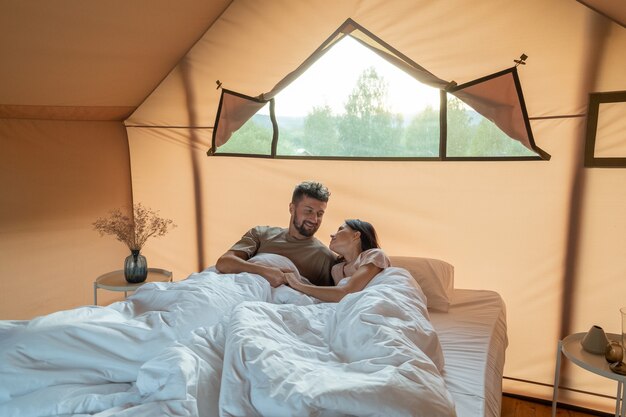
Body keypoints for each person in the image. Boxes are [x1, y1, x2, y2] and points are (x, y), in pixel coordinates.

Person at [215, 181, 336, 287]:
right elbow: (224, 262)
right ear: (292, 208)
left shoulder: (324, 257)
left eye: (320, 214)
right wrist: (265, 271)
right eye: (308, 211)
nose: (314, 219)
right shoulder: (262, 234)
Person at [285, 219, 390, 302]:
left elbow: (346, 292)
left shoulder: (374, 255)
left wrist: (297, 285)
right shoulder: (337, 269)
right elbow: (336, 299)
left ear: (356, 235)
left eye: (340, 229)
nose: (332, 235)